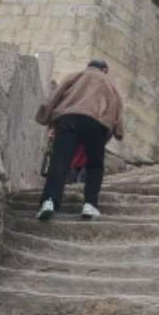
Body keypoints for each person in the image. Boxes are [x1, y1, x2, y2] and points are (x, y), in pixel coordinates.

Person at [35, 59, 124, 220]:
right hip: (96, 122)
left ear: (88, 67)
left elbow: (55, 95)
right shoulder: (109, 83)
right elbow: (117, 105)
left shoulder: (75, 76)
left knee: (59, 162)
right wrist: (118, 131)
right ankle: (90, 204)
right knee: (95, 165)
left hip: (69, 117)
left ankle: (49, 201)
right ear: (104, 70)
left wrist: (44, 116)